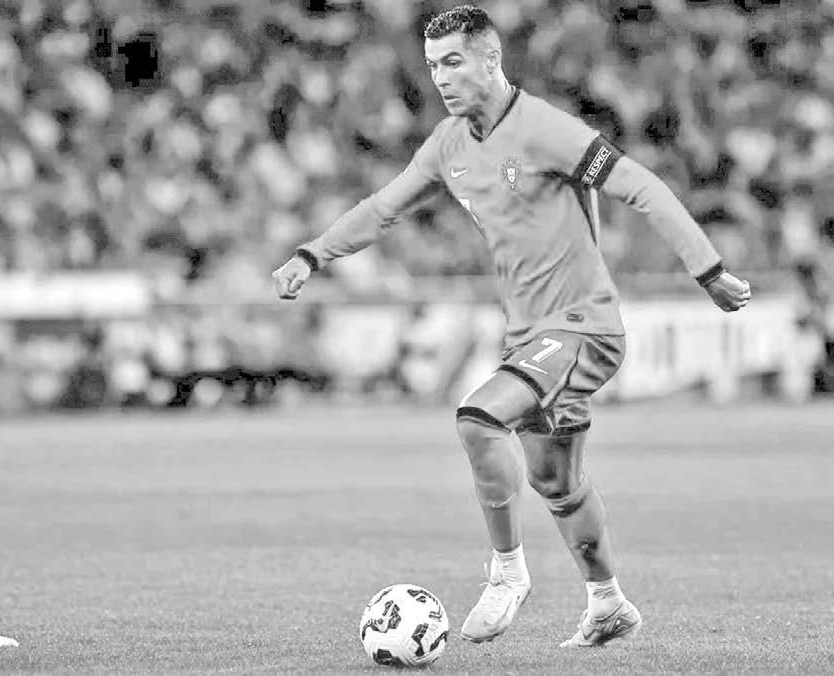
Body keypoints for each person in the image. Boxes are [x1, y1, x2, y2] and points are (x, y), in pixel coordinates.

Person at [272, 5, 751, 647]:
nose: (441, 78)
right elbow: (383, 209)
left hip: (583, 327)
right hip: (531, 337)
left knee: (478, 418)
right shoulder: (448, 144)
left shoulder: (545, 129)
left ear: (491, 59)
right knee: (557, 482)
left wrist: (708, 269)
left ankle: (507, 573)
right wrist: (312, 256)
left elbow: (641, 186)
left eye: (454, 62)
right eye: (433, 66)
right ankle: (608, 602)